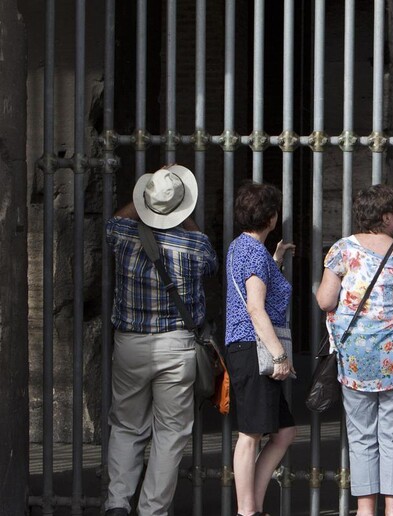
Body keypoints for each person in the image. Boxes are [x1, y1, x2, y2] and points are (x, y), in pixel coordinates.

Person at [104, 165, 218, 516]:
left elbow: (114, 219)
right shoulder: (196, 246)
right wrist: (182, 213)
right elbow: (212, 264)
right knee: (169, 434)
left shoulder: (122, 235)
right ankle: (152, 510)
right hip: (177, 346)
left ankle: (117, 504)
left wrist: (149, 198)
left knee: (126, 425)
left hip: (130, 344)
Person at [316, 184, 393, 516]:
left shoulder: (343, 250)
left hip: (357, 357)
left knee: (362, 434)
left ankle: (365, 510)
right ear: (386, 217)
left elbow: (325, 299)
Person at [225, 181, 297, 516]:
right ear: (270, 217)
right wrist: (279, 355)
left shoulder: (243, 248)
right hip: (253, 349)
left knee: (283, 432)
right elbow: (256, 307)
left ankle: (252, 505)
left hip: (247, 347)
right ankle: (246, 511)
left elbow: (257, 287)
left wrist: (276, 259)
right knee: (250, 435)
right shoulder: (253, 252)